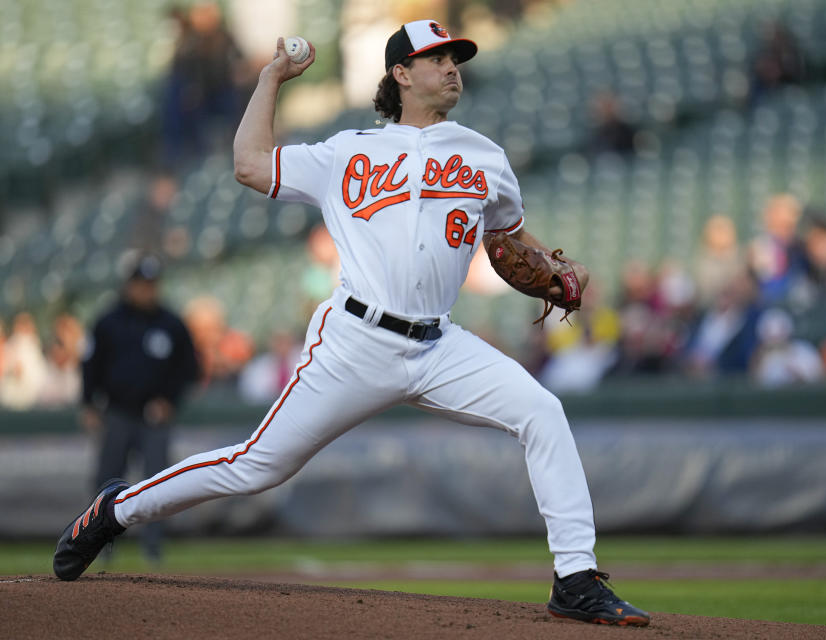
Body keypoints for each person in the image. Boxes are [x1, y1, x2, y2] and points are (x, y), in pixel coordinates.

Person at [54, 21, 650, 627]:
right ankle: (115, 511)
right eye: (436, 58)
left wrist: (551, 268)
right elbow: (248, 164)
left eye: (455, 58)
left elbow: (511, 240)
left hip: (440, 345)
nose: (451, 67)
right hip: (354, 343)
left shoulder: (485, 157)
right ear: (400, 74)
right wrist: (270, 79)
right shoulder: (347, 151)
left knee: (542, 411)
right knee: (257, 465)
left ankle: (574, 577)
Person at [77, 255, 199, 562]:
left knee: (157, 483)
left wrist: (170, 400)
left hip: (154, 417)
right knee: (107, 480)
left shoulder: (171, 323)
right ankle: (99, 546)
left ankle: (153, 547)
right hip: (117, 412)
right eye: (142, 285)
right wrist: (88, 402)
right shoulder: (109, 322)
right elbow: (90, 365)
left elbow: (189, 368)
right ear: (129, 286)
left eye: (152, 284)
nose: (148, 291)